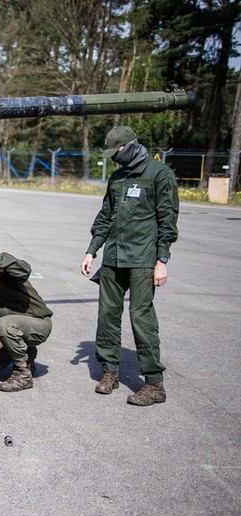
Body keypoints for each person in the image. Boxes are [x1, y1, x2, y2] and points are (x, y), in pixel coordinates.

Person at [80, 125, 179, 406]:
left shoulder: (160, 175)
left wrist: (162, 260)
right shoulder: (117, 177)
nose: (114, 159)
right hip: (113, 257)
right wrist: (92, 251)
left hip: (143, 258)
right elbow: (105, 216)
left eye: (117, 153)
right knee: (107, 315)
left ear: (131, 147)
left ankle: (154, 384)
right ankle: (110, 372)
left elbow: (168, 220)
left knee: (141, 318)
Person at [0, 252, 53, 392]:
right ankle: (25, 353)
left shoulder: (0, 269)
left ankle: (23, 374)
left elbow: (24, 271)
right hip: (11, 330)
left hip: (38, 324)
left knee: (4, 324)